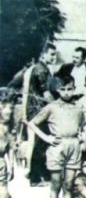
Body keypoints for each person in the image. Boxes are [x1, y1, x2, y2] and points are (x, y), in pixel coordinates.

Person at [27, 75, 85, 198]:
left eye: (70, 89)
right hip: (57, 146)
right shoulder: (51, 107)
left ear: (74, 89)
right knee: (56, 183)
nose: (66, 92)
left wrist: (80, 137)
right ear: (57, 90)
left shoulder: (78, 108)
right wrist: (47, 138)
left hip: (73, 145)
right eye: (63, 89)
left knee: (69, 183)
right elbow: (32, 123)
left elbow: (82, 126)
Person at [22, 43, 57, 186]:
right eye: (51, 54)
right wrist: (59, 105)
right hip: (39, 111)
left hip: (37, 110)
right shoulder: (41, 70)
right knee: (40, 143)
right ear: (43, 54)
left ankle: (40, 174)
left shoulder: (41, 68)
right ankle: (35, 177)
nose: (54, 57)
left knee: (41, 143)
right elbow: (46, 93)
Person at [0, 100, 22, 198]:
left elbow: (11, 148)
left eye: (10, 109)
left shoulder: (9, 128)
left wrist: (11, 166)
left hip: (0, 163)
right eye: (4, 108)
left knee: (5, 196)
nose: (7, 111)